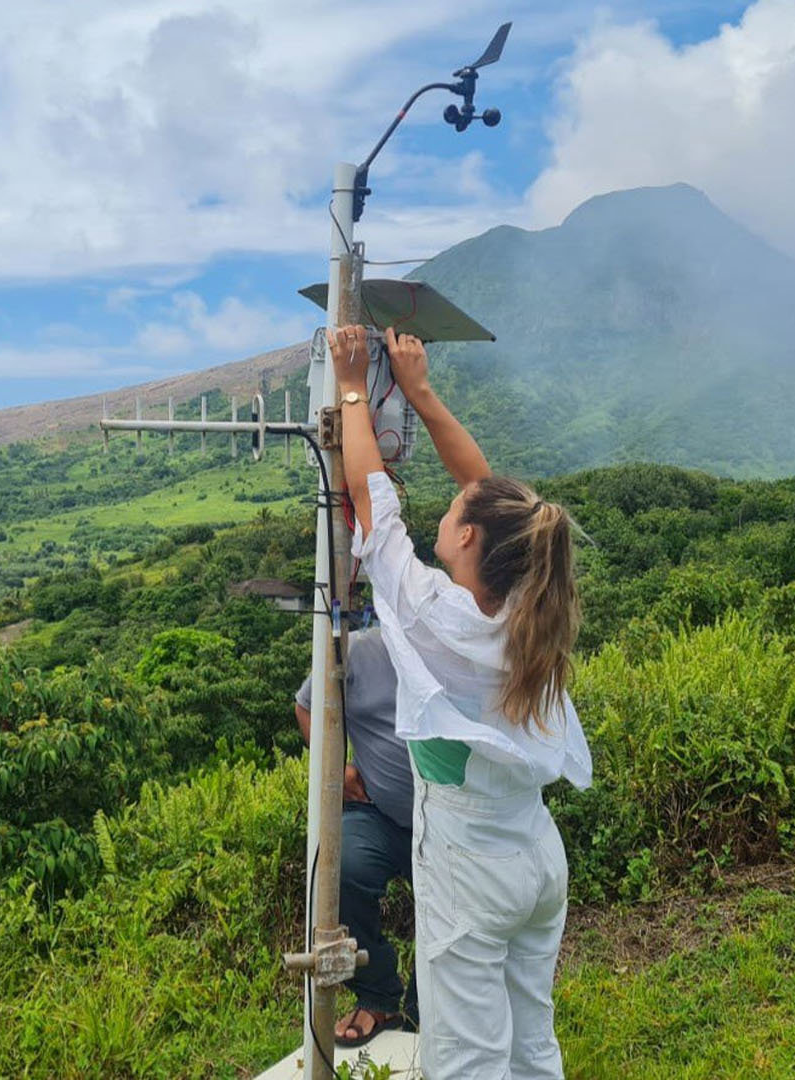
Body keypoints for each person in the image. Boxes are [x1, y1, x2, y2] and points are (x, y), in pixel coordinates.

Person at [327, 323, 593, 1079]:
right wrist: (418, 390)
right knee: (529, 1039)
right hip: (535, 853)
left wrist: (353, 387)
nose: (443, 512)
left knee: (466, 1056)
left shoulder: (435, 616)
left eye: (452, 516)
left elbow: (373, 509)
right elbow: (490, 498)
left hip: (473, 861)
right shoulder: (529, 605)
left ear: (469, 540)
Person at [293, 623, 416, 1046]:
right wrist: (338, 768)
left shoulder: (453, 646)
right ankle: (378, 994)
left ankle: (427, 1010)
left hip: (448, 822)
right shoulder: (360, 650)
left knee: (455, 902)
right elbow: (305, 706)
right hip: (378, 811)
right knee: (340, 867)